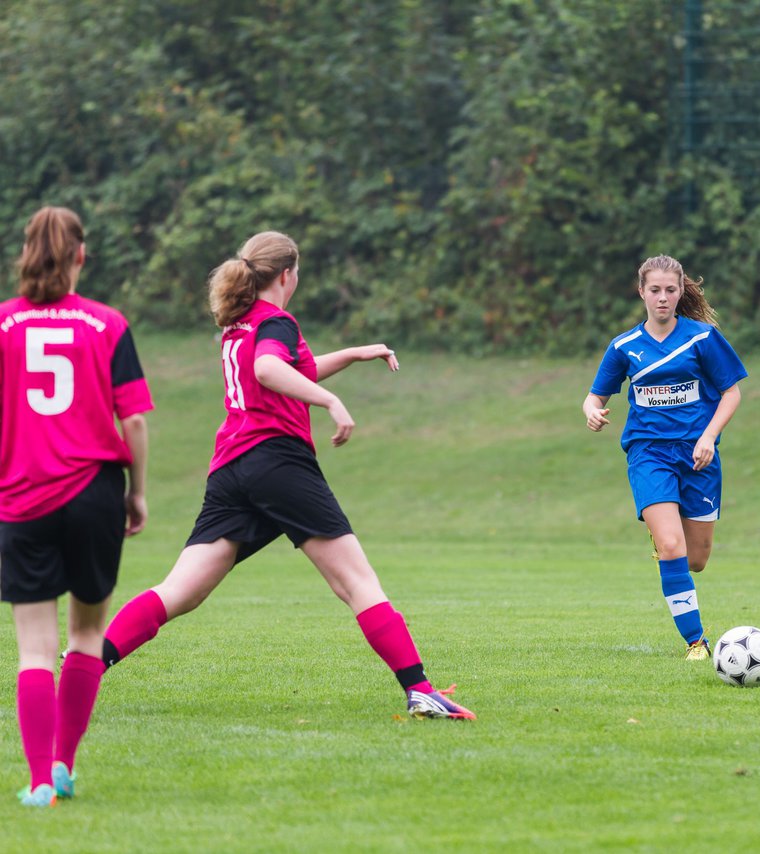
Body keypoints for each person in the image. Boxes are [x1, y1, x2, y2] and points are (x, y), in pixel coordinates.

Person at [100, 230, 474, 720]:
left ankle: (88, 663)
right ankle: (419, 689)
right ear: (287, 274)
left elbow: (292, 368)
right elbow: (269, 370)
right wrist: (331, 402)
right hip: (277, 463)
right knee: (358, 583)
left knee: (180, 590)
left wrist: (355, 354)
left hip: (232, 470)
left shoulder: (242, 322)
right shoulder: (276, 322)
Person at [1, 207, 152, 807]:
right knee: (86, 635)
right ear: (81, 256)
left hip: (23, 497)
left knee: (34, 648)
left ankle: (40, 782)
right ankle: (65, 764)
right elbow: (134, 418)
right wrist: (136, 493)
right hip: (94, 495)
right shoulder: (107, 324)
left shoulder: (4, 325)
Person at [582, 255, 747, 660]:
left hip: (697, 456)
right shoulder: (624, 347)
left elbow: (732, 393)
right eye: (654, 290)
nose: (662, 298)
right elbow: (595, 394)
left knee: (697, 559)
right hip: (649, 453)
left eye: (670, 290)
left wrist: (709, 436)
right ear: (641, 292)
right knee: (672, 546)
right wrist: (591, 410)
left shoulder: (702, 339)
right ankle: (697, 643)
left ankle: (667, 545)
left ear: (680, 292)